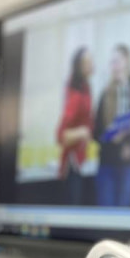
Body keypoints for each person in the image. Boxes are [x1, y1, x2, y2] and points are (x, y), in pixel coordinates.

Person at [93, 44, 130, 207]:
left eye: (117, 61)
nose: (114, 66)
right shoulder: (106, 93)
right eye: (111, 62)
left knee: (124, 209)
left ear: (126, 61)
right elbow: (96, 131)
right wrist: (111, 137)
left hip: (129, 163)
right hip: (107, 161)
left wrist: (129, 144)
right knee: (105, 209)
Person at [56, 46, 95, 205]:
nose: (92, 64)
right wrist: (82, 132)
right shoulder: (75, 95)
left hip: (81, 162)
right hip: (72, 166)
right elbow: (61, 135)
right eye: (88, 61)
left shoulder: (86, 88)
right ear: (79, 66)